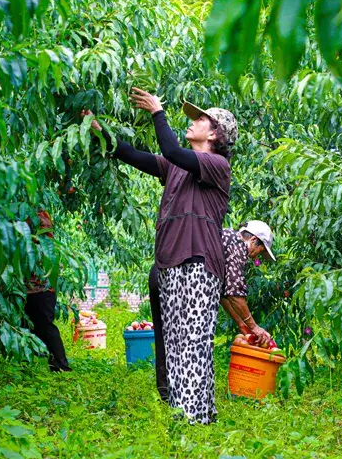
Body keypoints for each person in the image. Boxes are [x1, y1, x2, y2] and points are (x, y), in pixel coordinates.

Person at [83, 88, 236, 424]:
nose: (193, 122)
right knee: (175, 342)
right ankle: (187, 415)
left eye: (200, 119)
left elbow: (170, 148)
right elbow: (133, 155)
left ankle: (194, 421)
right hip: (170, 264)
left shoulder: (216, 165)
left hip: (198, 262)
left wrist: (157, 111)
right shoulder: (177, 167)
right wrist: (98, 130)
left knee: (194, 342)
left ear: (214, 133)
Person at [149, 220, 277, 401]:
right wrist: (254, 327)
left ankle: (166, 394)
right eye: (260, 251)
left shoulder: (224, 237)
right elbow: (235, 294)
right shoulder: (237, 245)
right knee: (190, 341)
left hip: (160, 273)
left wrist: (241, 324)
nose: (255, 256)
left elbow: (223, 292)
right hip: (182, 279)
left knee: (166, 337)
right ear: (253, 240)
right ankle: (189, 399)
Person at [24, 209, 72, 373]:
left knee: (45, 326)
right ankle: (53, 364)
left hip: (42, 288)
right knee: (35, 327)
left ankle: (62, 366)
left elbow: (44, 231)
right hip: (30, 287)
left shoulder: (41, 229)